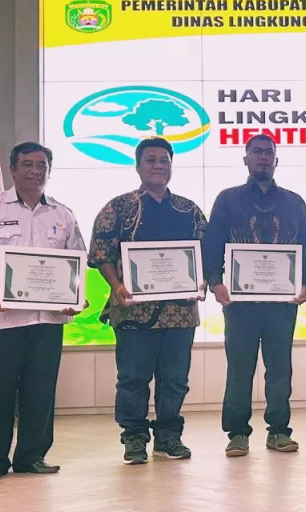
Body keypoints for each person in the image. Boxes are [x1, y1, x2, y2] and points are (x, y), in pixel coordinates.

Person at [0, 142, 87, 481]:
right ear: (13, 170)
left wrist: (77, 298)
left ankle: (31, 456)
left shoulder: (63, 214)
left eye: (41, 165)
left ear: (49, 171)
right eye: (27, 164)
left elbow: (77, 262)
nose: (35, 171)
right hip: (2, 320)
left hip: (47, 321)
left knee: (40, 391)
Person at [88, 137, 207, 464]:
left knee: (175, 380)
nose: (158, 166)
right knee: (132, 378)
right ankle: (134, 437)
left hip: (180, 313)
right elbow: (101, 253)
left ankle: (168, 437)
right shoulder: (117, 207)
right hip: (132, 310)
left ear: (171, 165)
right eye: (151, 160)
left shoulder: (189, 210)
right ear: (138, 166)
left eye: (164, 160)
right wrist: (115, 285)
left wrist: (202, 280)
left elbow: (206, 253)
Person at [203, 134, 306, 456]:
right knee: (240, 368)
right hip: (240, 302)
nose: (263, 157)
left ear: (276, 160)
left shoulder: (294, 202)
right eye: (257, 152)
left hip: (282, 304)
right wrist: (215, 282)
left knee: (280, 369)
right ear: (246, 159)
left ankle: (278, 431)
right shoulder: (228, 200)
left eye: (268, 153)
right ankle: (237, 433)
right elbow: (213, 243)